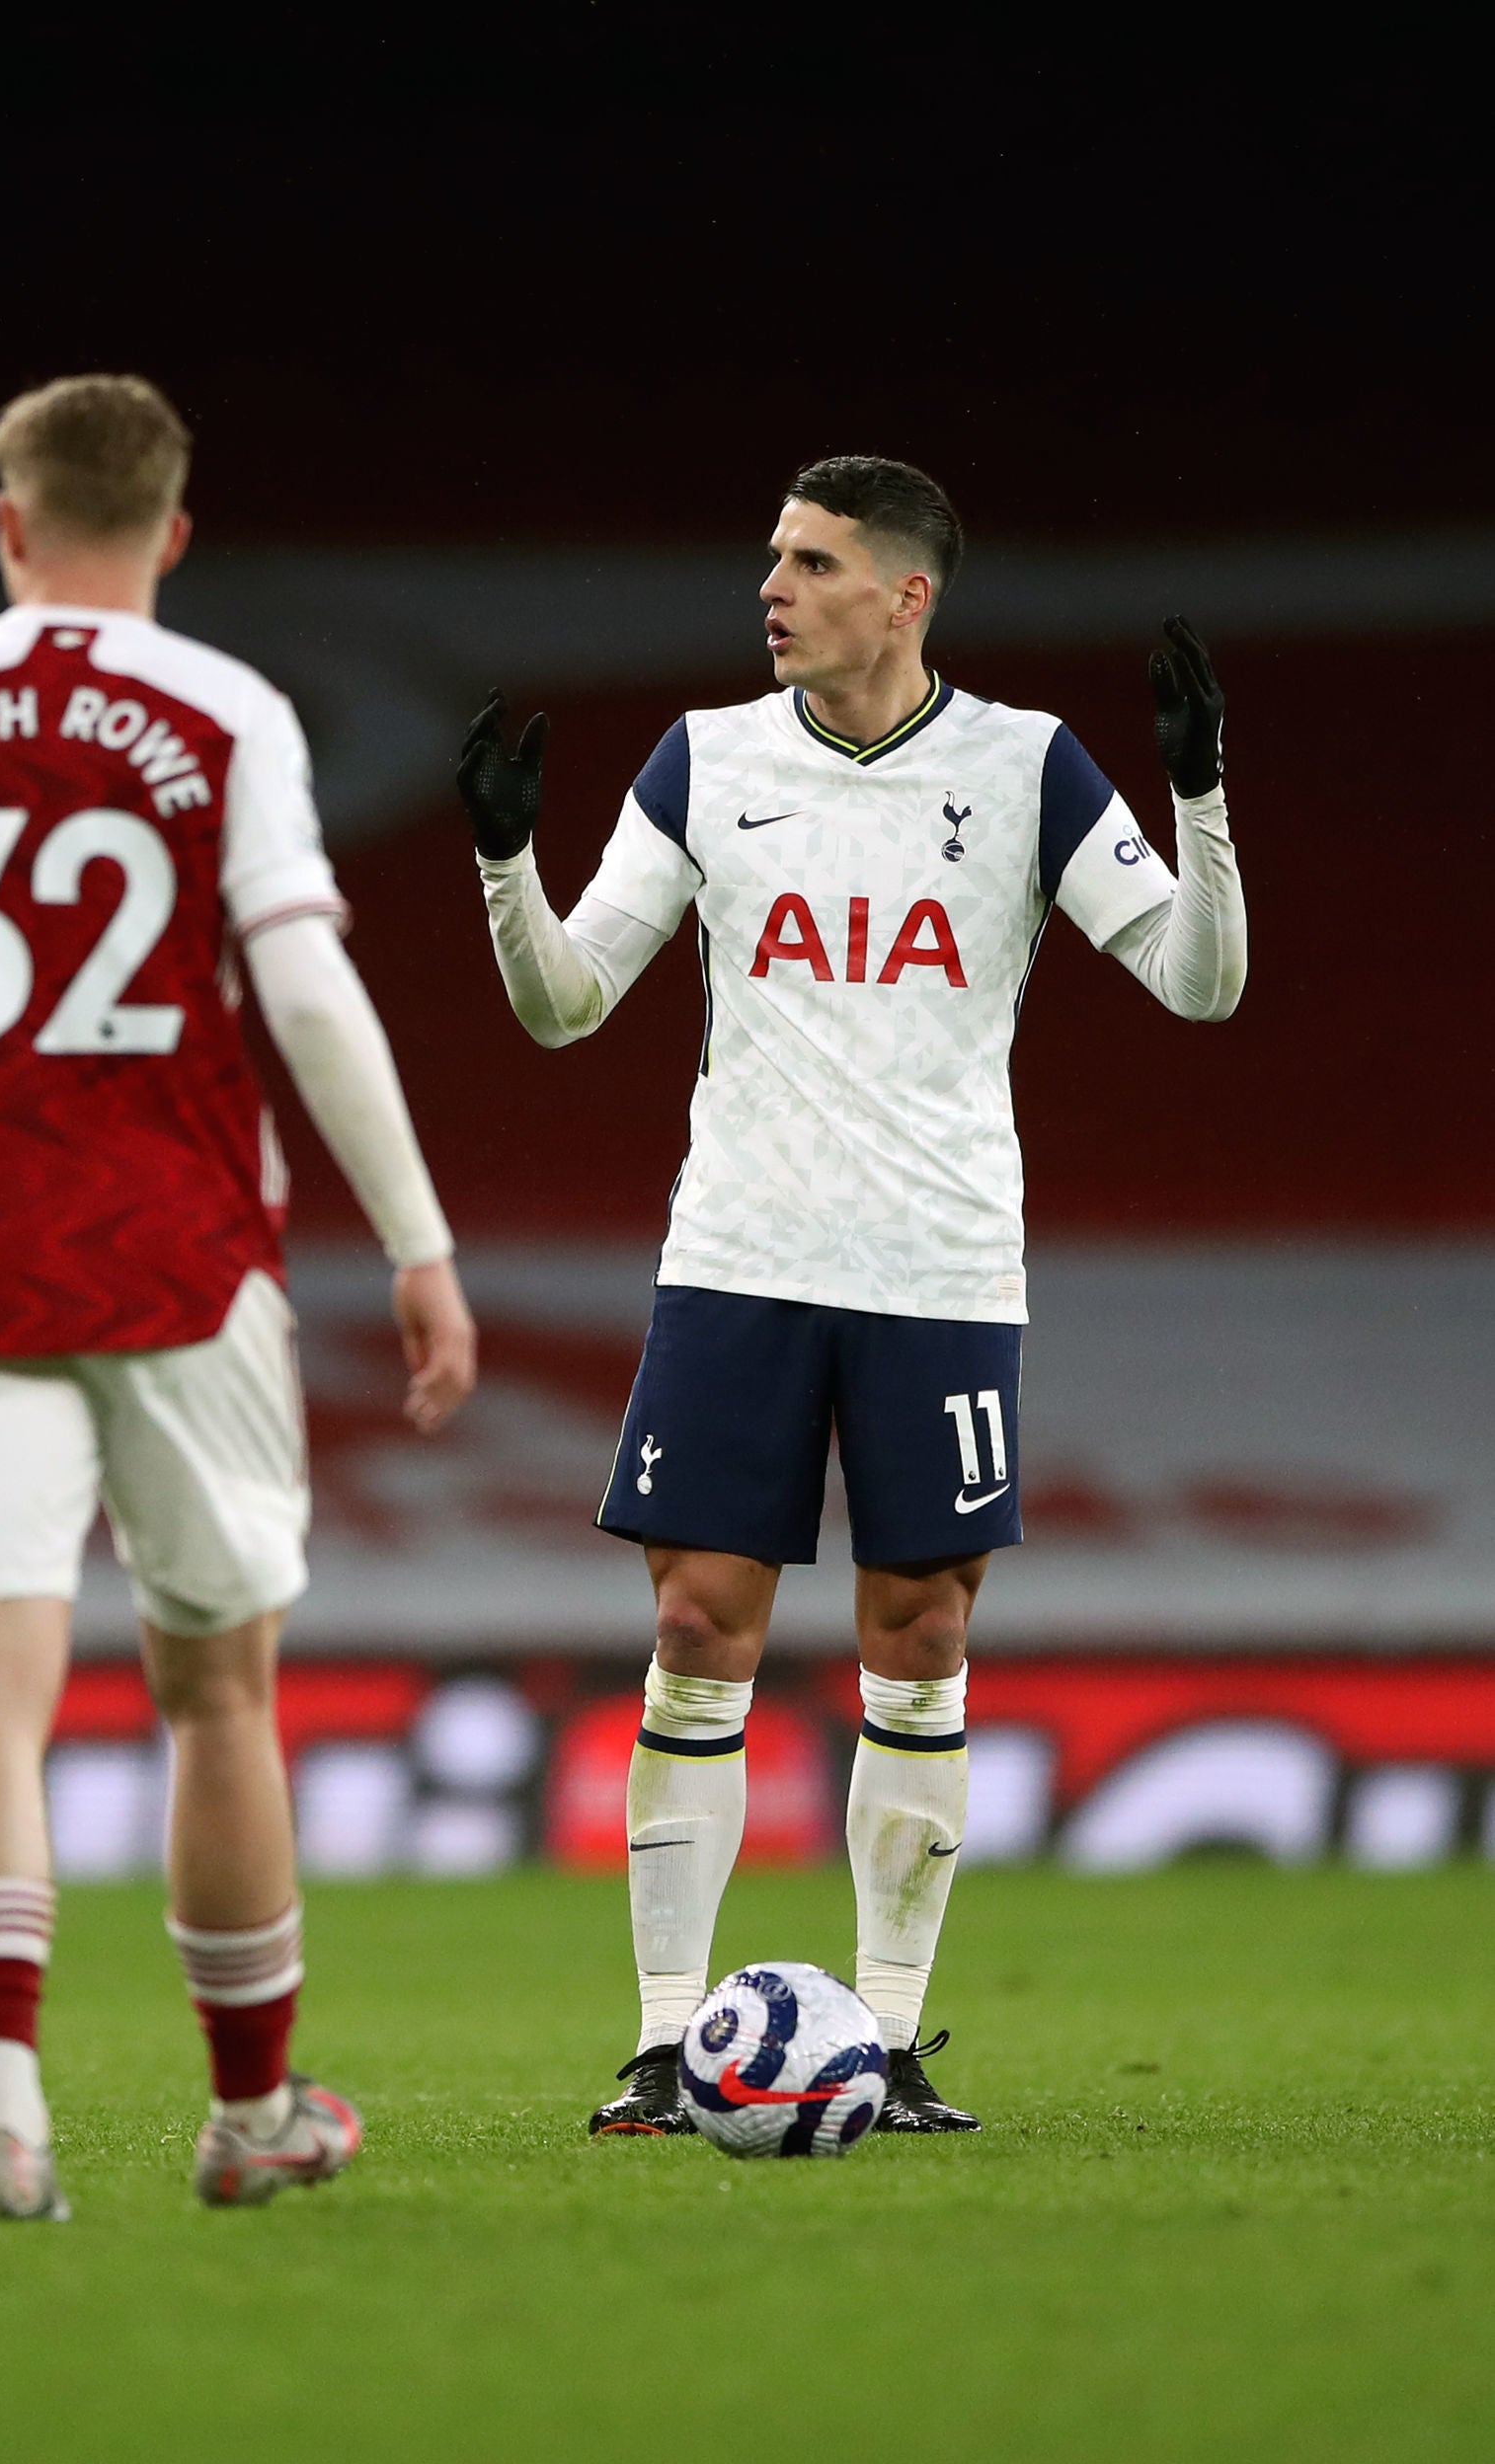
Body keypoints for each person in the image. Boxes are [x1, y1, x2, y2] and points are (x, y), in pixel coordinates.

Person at [455, 455, 1247, 2136]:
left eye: (811, 562)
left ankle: (884, 2046)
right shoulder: (707, 756)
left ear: (907, 597)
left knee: (924, 1638)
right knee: (690, 1633)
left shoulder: (1026, 765)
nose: (773, 586)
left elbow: (1196, 983)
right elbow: (568, 1004)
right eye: (771, 557)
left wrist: (1200, 803)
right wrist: (505, 868)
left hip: (940, 1270)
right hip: (738, 1258)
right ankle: (670, 2043)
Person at [0, 374, 476, 2218]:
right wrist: (414, 1238)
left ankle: (1, 2111)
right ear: (174, 531)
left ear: (6, 521)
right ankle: (250, 2114)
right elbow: (310, 996)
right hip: (181, 1253)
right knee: (217, 1692)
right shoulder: (224, 708)